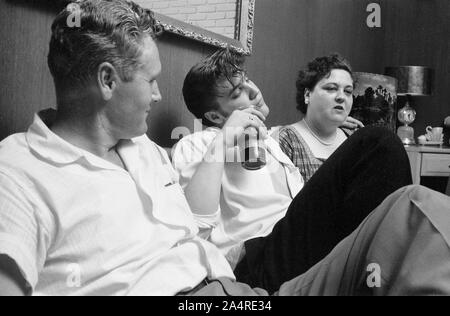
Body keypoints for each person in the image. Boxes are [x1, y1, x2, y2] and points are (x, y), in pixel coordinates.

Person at [1, 0, 450, 297]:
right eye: (152, 81)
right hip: (208, 297)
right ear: (106, 80)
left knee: (416, 205)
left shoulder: (144, 151)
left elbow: (198, 230)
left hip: (236, 285)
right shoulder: (18, 171)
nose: (159, 97)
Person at [173, 48, 414, 292]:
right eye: (239, 93)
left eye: (248, 82)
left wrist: (339, 133)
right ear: (214, 115)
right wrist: (223, 140)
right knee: (378, 142)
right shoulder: (198, 143)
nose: (254, 91)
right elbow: (194, 225)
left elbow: (304, 203)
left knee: (384, 174)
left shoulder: (269, 141)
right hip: (257, 261)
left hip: (293, 243)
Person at [277, 54, 363, 183]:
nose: (341, 97)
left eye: (348, 91)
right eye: (331, 88)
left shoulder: (355, 138)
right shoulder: (287, 139)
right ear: (307, 94)